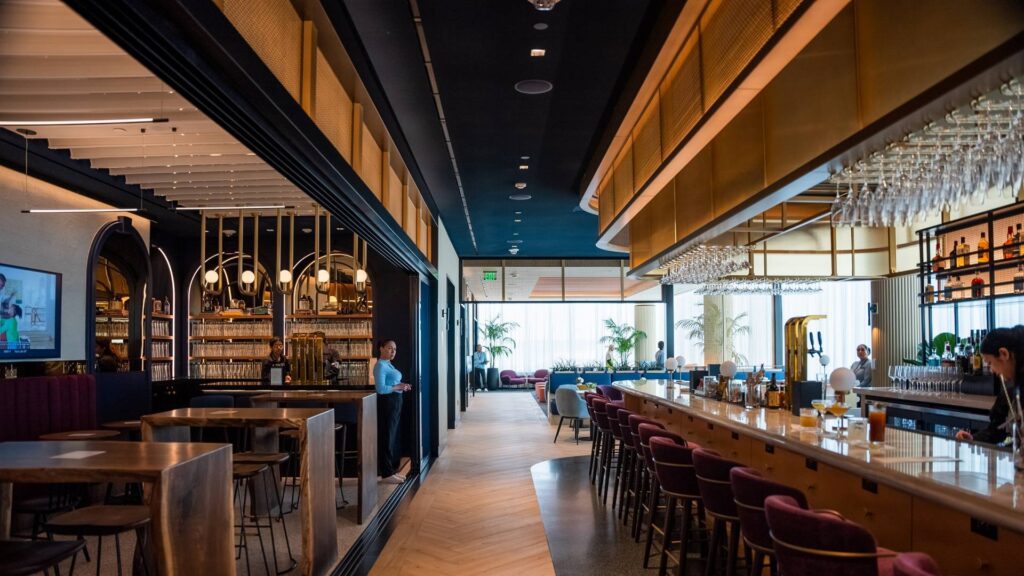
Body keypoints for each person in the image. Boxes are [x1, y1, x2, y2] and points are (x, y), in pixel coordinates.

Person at [956, 326, 1024, 444]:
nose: (991, 370)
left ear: (1004, 354)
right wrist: (973, 439)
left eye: (990, 363)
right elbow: (996, 431)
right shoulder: (1009, 390)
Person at [374, 339, 412, 484]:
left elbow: (391, 383)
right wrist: (398, 387)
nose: (393, 351)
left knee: (391, 437)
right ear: (381, 348)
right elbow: (381, 389)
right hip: (387, 403)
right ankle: (386, 472)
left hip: (395, 402)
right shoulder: (380, 366)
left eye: (394, 349)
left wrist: (401, 385)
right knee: (386, 437)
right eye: (389, 348)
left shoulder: (388, 364)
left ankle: (389, 471)